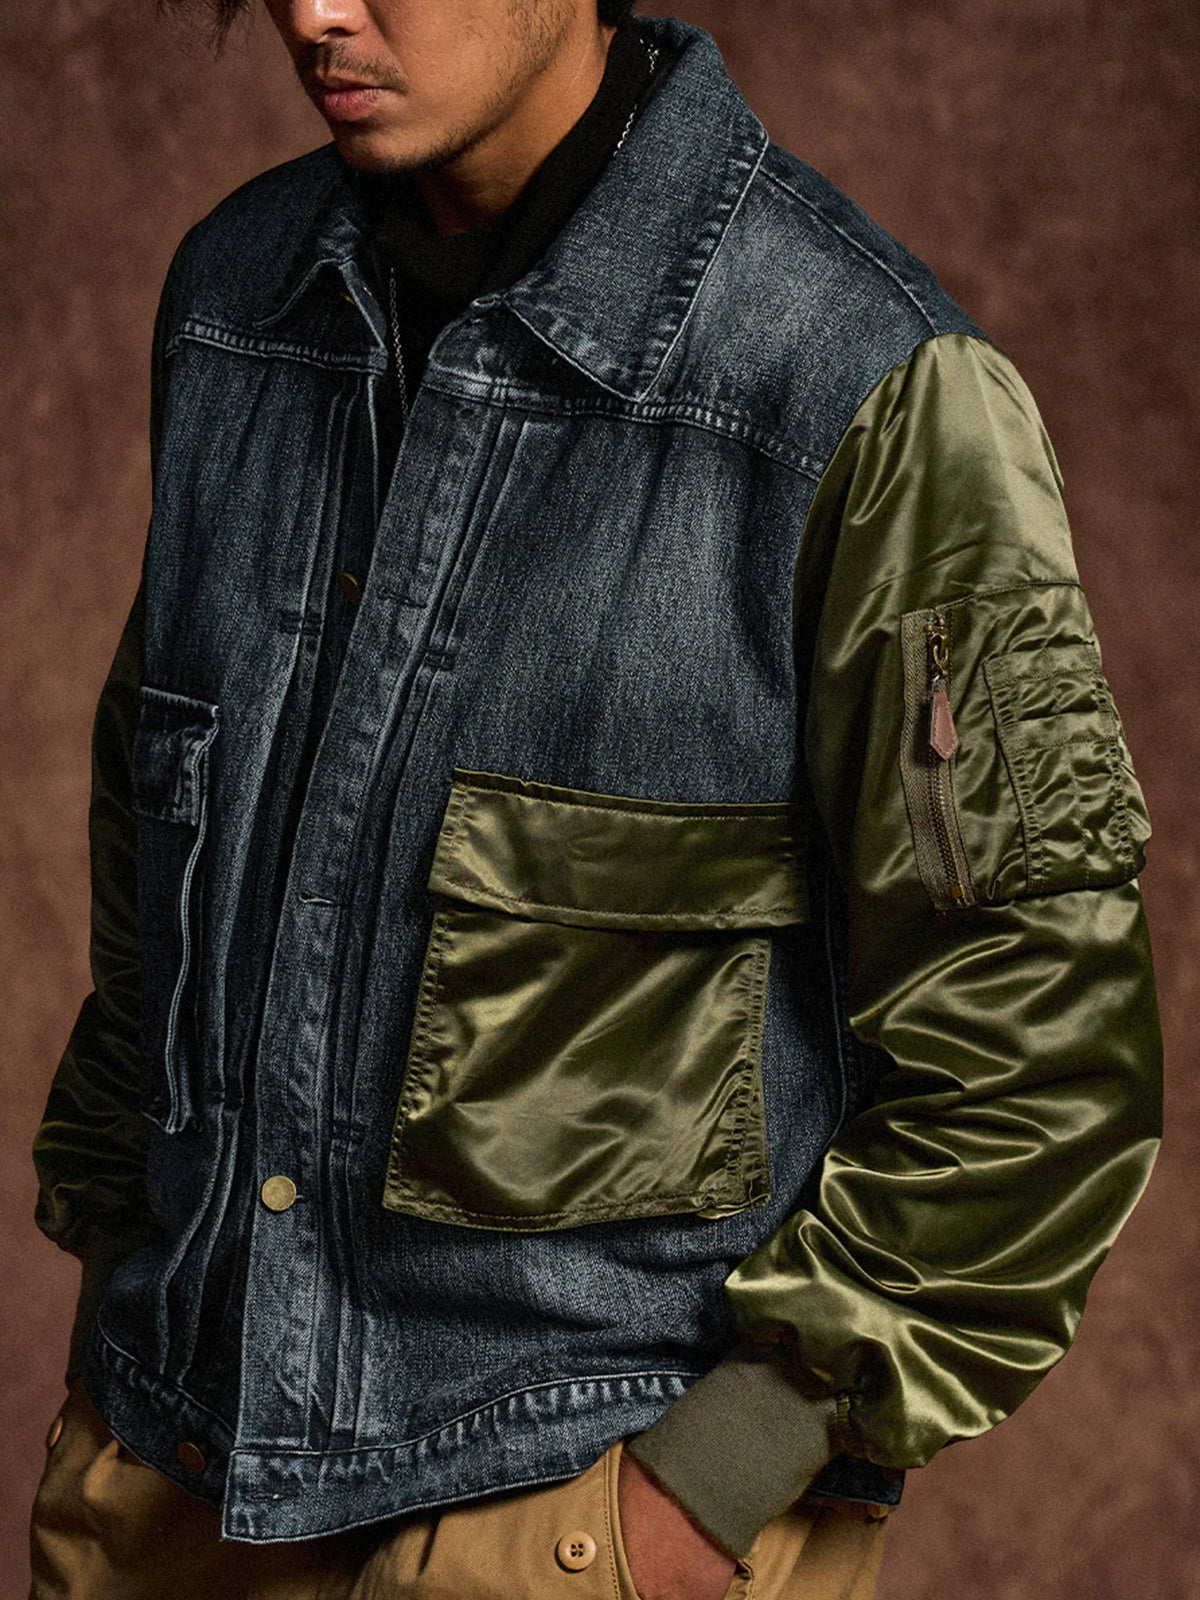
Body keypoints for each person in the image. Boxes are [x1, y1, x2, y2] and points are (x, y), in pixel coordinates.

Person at [27, 2, 1163, 1597]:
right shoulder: (238, 296)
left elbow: (1040, 1056)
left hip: (578, 1514)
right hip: (173, 1477)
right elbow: (154, 854)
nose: (313, 12)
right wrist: (120, 1301)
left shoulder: (865, 383)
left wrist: (716, 1484)